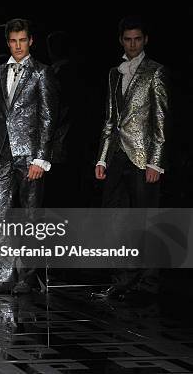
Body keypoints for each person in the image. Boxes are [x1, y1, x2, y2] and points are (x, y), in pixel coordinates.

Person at [91, 16, 169, 302]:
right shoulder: (115, 72)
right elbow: (111, 119)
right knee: (116, 219)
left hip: (143, 156)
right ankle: (122, 279)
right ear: (121, 40)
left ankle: (148, 283)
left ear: (145, 40)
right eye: (128, 39)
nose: (133, 44)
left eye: (137, 39)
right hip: (117, 156)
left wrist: (155, 161)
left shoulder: (155, 72)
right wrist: (101, 159)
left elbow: (160, 119)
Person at [0, 18, 58, 294]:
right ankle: (5, 277)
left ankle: (27, 278)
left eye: (22, 40)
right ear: (8, 42)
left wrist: (41, 158)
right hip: (1, 153)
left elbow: (48, 117)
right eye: (13, 41)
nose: (17, 46)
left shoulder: (41, 72)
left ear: (31, 41)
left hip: (29, 156)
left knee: (29, 216)